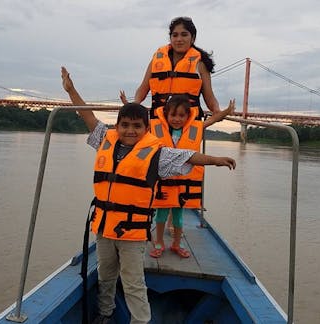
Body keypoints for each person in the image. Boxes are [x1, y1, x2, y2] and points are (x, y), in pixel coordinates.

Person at [61, 66, 236, 324]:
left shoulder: (156, 153)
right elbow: (87, 117)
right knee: (105, 276)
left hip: (131, 234)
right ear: (118, 125)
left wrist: (216, 160)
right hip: (103, 228)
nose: (129, 130)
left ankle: (140, 321)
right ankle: (105, 313)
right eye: (125, 125)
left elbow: (188, 156)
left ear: (146, 128)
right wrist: (71, 90)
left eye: (136, 126)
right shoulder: (105, 140)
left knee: (133, 283)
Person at [124, 16, 235, 238]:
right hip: (157, 124)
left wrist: (219, 113)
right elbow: (143, 88)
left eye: (184, 34)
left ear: (192, 38)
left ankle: (176, 218)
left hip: (186, 123)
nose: (179, 38)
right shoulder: (157, 58)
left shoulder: (199, 63)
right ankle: (153, 213)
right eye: (175, 34)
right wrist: (133, 107)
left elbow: (209, 97)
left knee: (185, 168)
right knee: (154, 166)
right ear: (170, 37)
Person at [148, 94, 235, 258]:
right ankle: (159, 243)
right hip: (163, 184)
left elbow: (213, 120)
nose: (177, 119)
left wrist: (227, 111)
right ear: (166, 114)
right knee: (160, 216)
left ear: (188, 116)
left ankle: (176, 243)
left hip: (182, 185)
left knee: (179, 218)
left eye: (181, 115)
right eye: (173, 115)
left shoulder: (196, 128)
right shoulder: (155, 128)